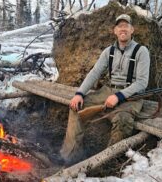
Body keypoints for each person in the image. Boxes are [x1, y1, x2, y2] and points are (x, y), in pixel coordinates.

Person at [60, 14, 150, 164]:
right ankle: (70, 157)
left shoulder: (141, 51)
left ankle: (105, 163)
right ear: (114, 30)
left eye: (126, 26)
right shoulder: (109, 51)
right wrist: (79, 93)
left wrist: (119, 96)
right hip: (108, 91)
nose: (123, 29)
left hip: (131, 95)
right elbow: (94, 73)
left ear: (132, 30)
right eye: (119, 26)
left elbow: (142, 82)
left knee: (123, 120)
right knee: (76, 107)